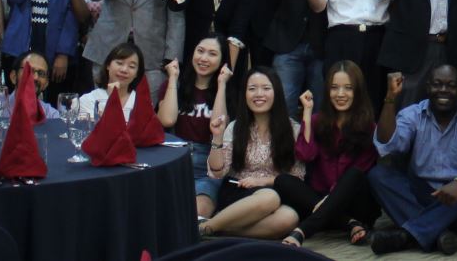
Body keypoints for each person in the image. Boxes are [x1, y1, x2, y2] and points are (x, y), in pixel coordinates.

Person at [368, 66, 457, 256]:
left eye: (451, 85)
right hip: (425, 195)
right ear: (427, 87)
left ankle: (406, 236)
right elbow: (388, 144)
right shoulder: (414, 113)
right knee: (378, 175)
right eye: (437, 84)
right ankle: (440, 233)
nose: (443, 90)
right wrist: (390, 98)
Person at [286, 61, 382, 248]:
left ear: (358, 91)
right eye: (334, 88)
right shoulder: (317, 121)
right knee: (283, 180)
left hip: (355, 203)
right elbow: (305, 155)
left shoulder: (369, 127)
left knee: (354, 174)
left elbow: (360, 172)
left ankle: (303, 231)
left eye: (348, 88)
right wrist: (307, 112)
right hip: (320, 200)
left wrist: (328, 201)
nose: (340, 94)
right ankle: (349, 224)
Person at [201, 67, 304, 240]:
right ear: (245, 94)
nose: (259, 94)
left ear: (276, 92)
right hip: (238, 189)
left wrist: (263, 181)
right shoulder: (235, 127)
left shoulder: (293, 129)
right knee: (269, 197)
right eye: (252, 89)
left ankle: (218, 228)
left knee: (290, 218)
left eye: (266, 88)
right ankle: (205, 228)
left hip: (276, 191)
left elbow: (297, 176)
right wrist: (217, 137)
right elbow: (217, 172)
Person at [158, 34, 233, 219]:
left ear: (222, 61)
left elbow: (218, 126)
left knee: (198, 212)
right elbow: (167, 120)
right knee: (163, 209)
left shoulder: (228, 92)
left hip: (206, 166)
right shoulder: (174, 84)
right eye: (200, 51)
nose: (204, 58)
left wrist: (222, 85)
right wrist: (173, 79)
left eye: (212, 54)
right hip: (173, 158)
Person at [78, 42, 146, 120]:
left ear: (137, 73)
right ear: (108, 65)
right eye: (119, 63)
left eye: (131, 66)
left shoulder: (143, 103)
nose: (124, 70)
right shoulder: (88, 100)